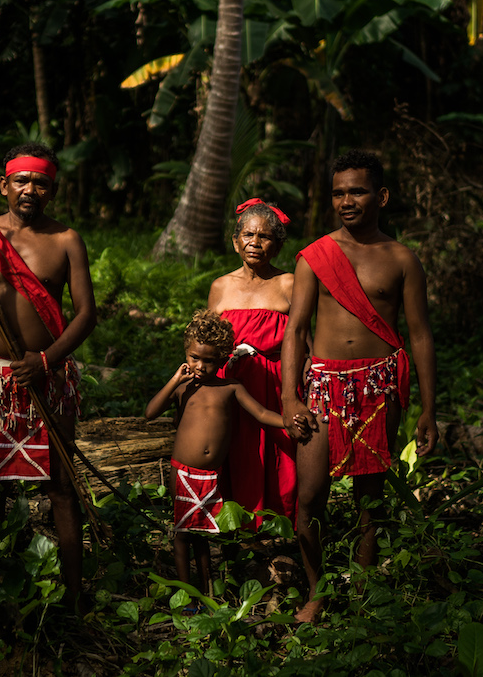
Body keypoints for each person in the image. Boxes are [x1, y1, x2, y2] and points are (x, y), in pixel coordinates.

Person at [280, 149, 438, 623]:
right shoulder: (316, 256)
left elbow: (421, 335)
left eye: (358, 190)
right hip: (324, 385)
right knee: (311, 495)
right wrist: (289, 397)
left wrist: (429, 409)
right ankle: (317, 589)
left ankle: (366, 588)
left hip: (378, 385)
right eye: (339, 192)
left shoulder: (402, 259)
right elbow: (296, 330)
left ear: (382, 195)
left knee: (370, 497)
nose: (347, 201)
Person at [0, 142, 97, 611]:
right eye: (22, 181)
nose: (31, 190)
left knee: (61, 489)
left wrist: (47, 360)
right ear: (4, 185)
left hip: (48, 377)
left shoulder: (66, 240)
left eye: (41, 183)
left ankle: (74, 599)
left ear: (52, 189)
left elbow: (87, 315)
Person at [145, 310, 287, 599]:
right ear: (186, 353)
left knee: (205, 534)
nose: (200, 366)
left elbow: (260, 413)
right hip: (183, 470)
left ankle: (207, 592)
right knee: (183, 534)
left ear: (223, 359)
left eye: (209, 360)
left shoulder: (231, 388)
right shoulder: (184, 387)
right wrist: (174, 380)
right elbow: (150, 412)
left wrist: (289, 421)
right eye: (195, 357)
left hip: (212, 474)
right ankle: (187, 595)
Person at [207, 199, 297, 528]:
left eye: (265, 236)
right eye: (248, 234)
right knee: (235, 457)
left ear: (278, 244)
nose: (255, 243)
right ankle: (234, 533)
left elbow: (303, 341)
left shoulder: (289, 283)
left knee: (279, 460)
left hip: (275, 385)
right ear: (235, 241)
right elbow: (206, 343)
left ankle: (279, 531)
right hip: (230, 387)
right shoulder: (220, 286)